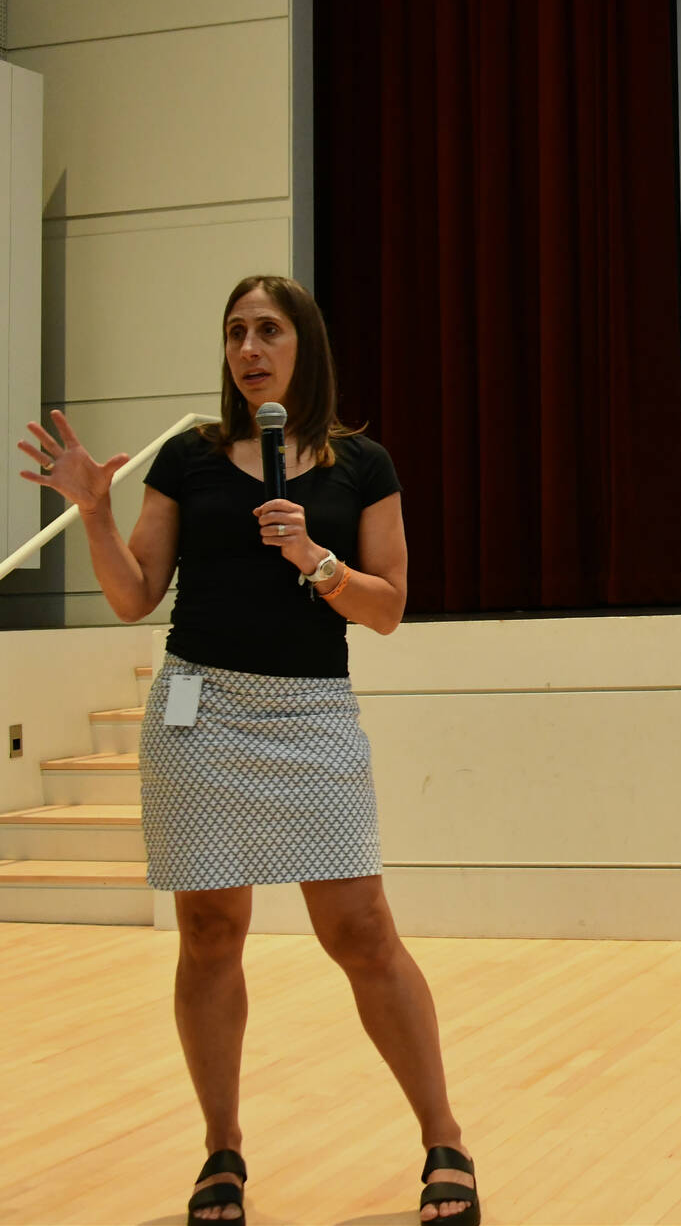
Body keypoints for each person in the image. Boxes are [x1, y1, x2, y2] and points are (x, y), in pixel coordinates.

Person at [18, 276, 481, 1225]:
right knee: (210, 934)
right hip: (199, 713)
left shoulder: (364, 466)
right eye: (235, 332)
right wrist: (96, 515)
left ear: (304, 344)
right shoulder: (189, 461)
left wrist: (316, 559)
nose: (249, 348)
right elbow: (135, 594)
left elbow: (388, 608)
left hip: (312, 717)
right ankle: (221, 1153)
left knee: (361, 933)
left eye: (268, 330)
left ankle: (445, 1139)